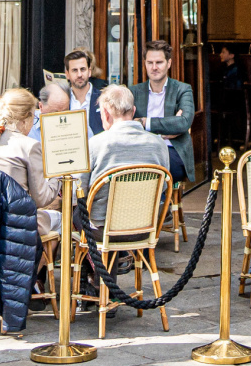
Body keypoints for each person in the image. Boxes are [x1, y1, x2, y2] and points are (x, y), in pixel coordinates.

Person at [80, 85, 172, 299]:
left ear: (105, 113)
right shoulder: (158, 144)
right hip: (144, 228)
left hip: (104, 230)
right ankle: (105, 283)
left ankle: (97, 283)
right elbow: (164, 188)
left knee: (77, 214)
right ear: (133, 111)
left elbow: (80, 192)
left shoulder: (95, 144)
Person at [0, 88, 63, 234]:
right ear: (25, 119)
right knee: (61, 220)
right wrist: (58, 176)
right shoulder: (29, 146)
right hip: (16, 225)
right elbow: (41, 199)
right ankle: (41, 258)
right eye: (34, 119)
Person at [132, 40, 196, 183]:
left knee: (156, 171)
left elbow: (183, 122)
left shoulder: (182, 89)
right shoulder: (134, 92)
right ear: (145, 64)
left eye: (159, 62)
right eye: (150, 63)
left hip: (172, 151)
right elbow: (127, 123)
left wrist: (144, 122)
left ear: (169, 63)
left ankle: (160, 205)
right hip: (142, 150)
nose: (154, 67)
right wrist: (168, 127)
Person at [65, 50, 108, 136]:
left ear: (89, 72)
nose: (79, 74)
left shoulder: (104, 99)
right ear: (67, 74)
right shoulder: (63, 99)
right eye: (74, 70)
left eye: (83, 69)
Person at [26, 79, 71, 143]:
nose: (60, 119)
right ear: (41, 107)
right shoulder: (27, 123)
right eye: (54, 113)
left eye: (64, 112)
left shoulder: (79, 122)